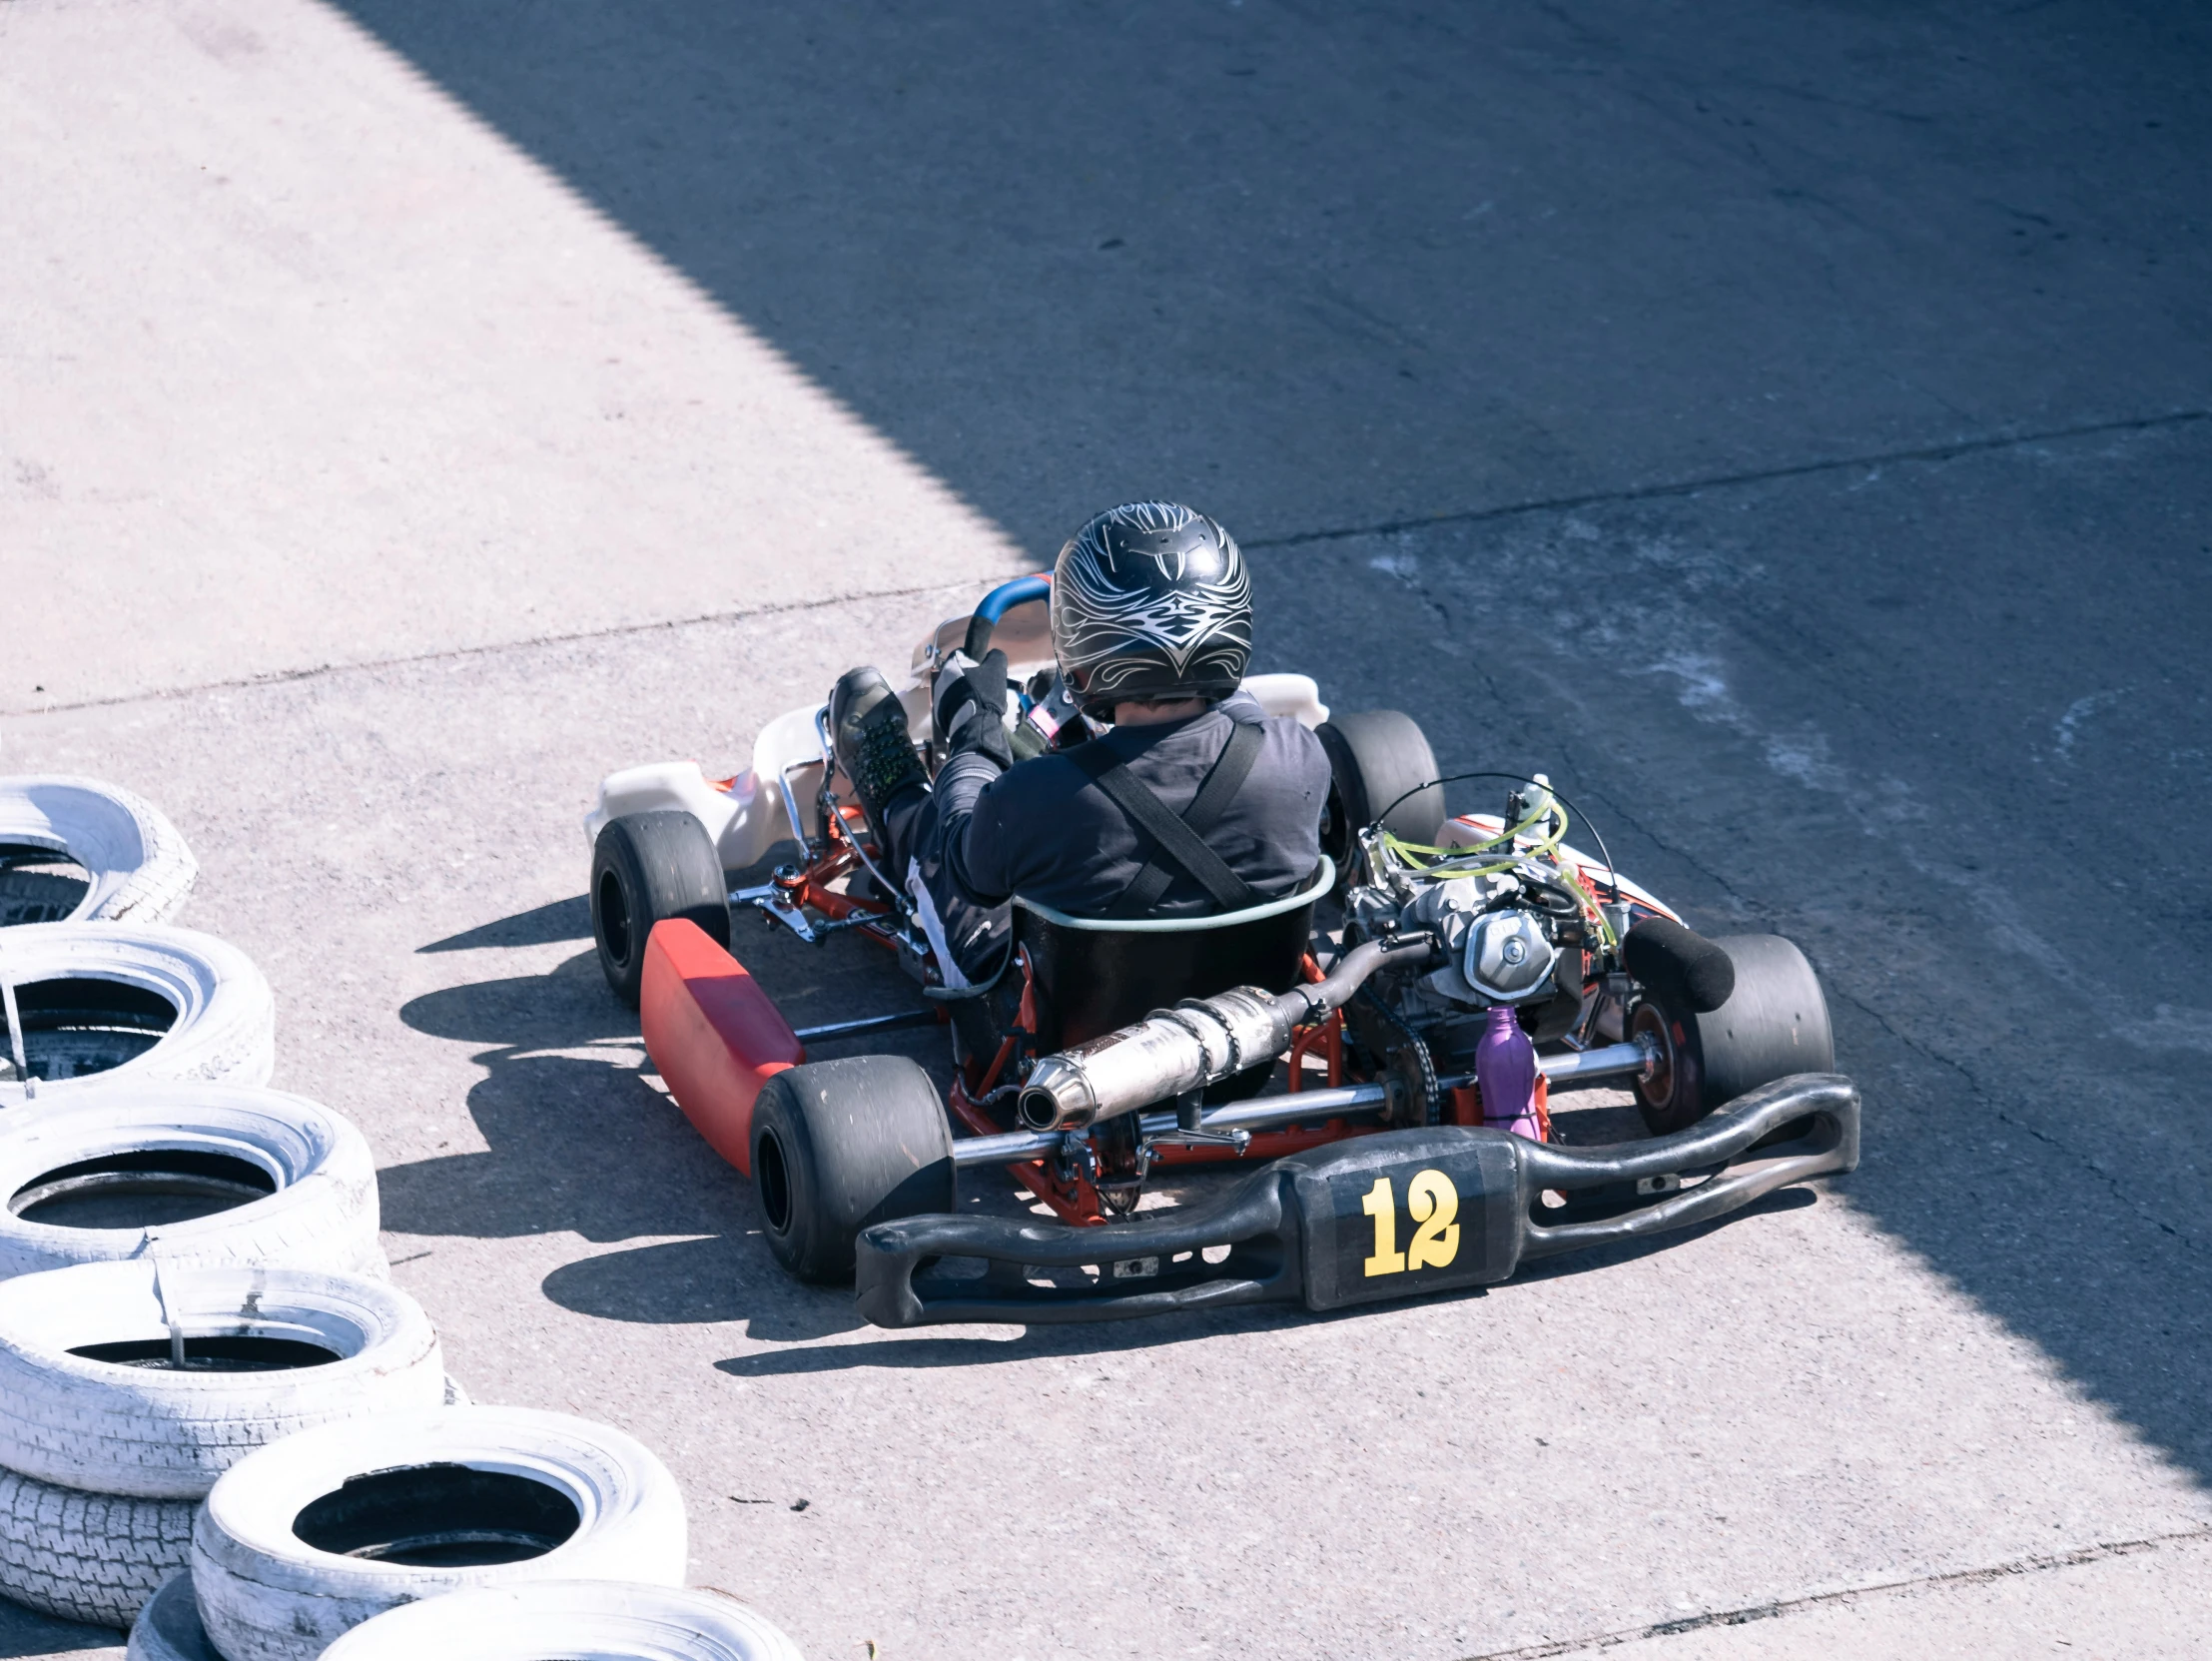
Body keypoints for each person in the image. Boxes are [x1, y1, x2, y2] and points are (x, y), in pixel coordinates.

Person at [826, 500, 1332, 989]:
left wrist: (976, 727)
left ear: (1080, 643)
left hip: (1067, 1049)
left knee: (939, 848)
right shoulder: (1299, 756)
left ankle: (894, 796)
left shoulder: (1034, 797)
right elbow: (1238, 711)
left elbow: (966, 868)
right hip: (1251, 1032)